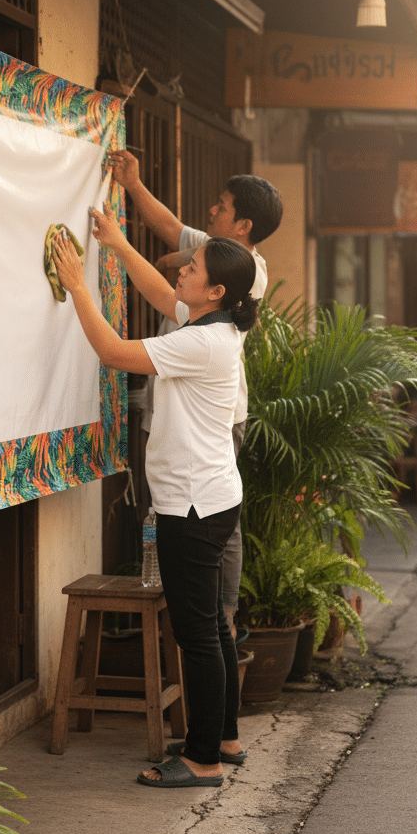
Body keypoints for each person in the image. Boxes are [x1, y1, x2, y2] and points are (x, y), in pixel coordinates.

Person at [52, 205, 259, 789]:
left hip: (192, 505)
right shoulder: (209, 324)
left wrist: (76, 288)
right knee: (212, 628)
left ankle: (202, 761)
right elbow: (154, 285)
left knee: (196, 635)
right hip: (210, 496)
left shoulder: (204, 342)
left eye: (190, 270)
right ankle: (224, 738)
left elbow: (115, 354)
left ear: (215, 290)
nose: (180, 273)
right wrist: (116, 243)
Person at [107, 149, 283, 638]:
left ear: (243, 224)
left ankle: (220, 617)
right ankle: (191, 615)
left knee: (213, 520)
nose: (212, 212)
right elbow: (169, 236)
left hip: (211, 412)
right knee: (172, 514)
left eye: (222, 207)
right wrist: (135, 187)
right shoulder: (216, 255)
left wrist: (85, 286)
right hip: (175, 397)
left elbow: (163, 281)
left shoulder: (243, 268)